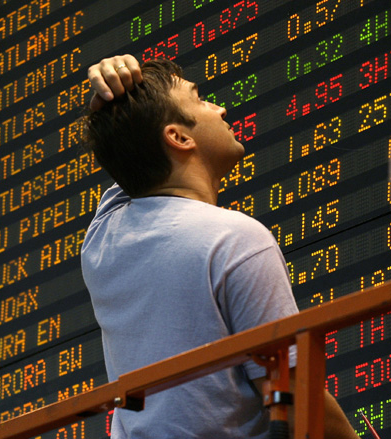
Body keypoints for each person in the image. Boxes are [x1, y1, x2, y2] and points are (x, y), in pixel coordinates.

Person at [80, 55, 358, 438]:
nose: (220, 107)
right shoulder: (234, 238)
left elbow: (129, 156)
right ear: (179, 137)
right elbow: (297, 398)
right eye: (200, 99)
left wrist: (111, 107)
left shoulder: (102, 238)